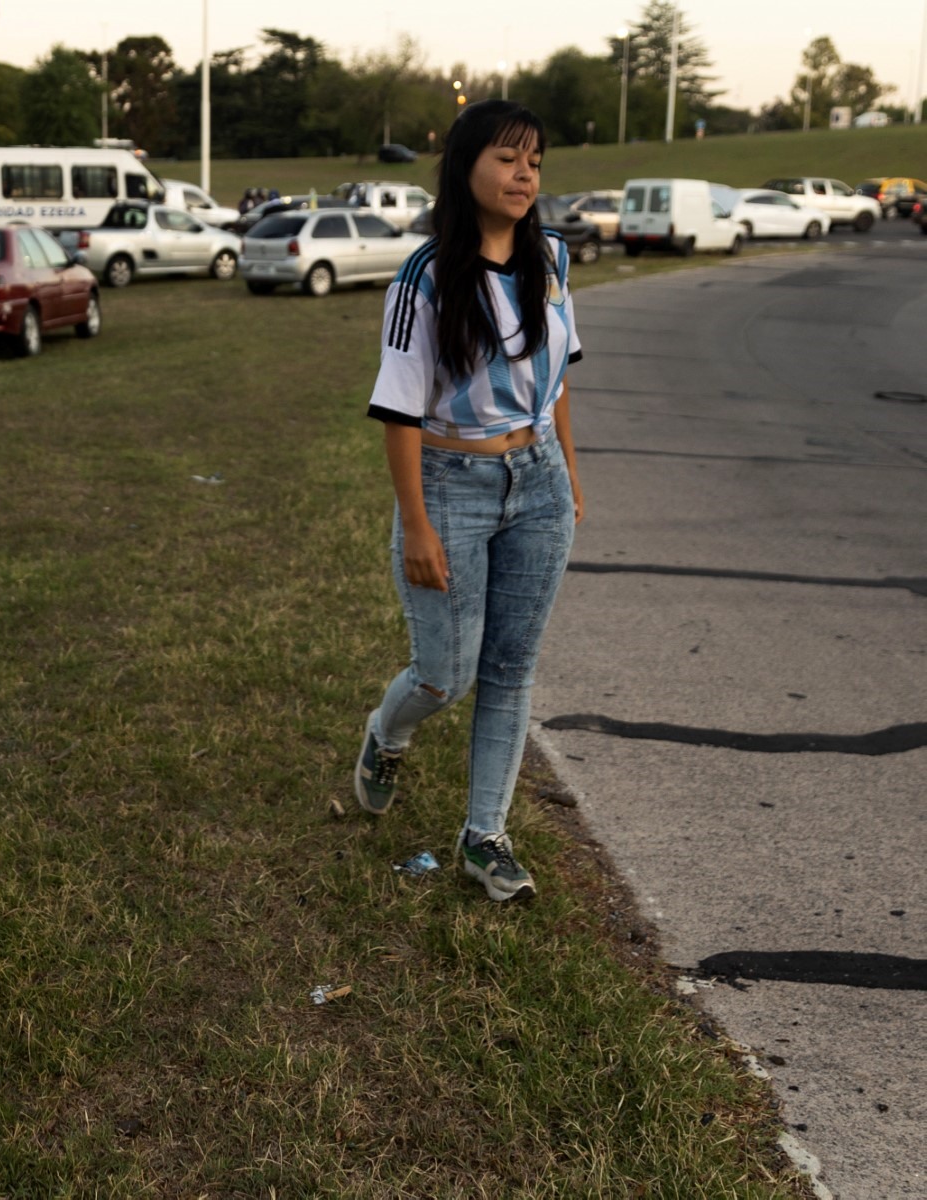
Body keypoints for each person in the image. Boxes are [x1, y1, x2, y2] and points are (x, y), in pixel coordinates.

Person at [353, 99, 584, 904]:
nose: (524, 176)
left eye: (536, 163)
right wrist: (416, 523)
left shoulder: (552, 256)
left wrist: (571, 484)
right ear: (466, 167)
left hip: (540, 484)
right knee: (446, 674)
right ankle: (388, 733)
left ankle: (485, 836)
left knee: (512, 670)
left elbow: (555, 387)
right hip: (452, 486)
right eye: (507, 159)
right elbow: (400, 411)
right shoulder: (423, 278)